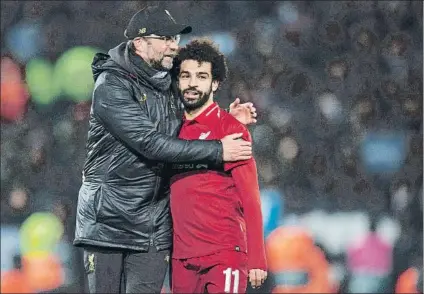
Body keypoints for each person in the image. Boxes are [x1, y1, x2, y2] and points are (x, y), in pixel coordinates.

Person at [73, 6, 257, 294]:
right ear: (139, 44)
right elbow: (150, 143)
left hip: (154, 226)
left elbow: (188, 123)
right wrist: (218, 150)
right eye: (166, 38)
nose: (174, 45)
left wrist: (225, 119)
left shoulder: (171, 80)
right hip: (108, 223)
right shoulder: (111, 85)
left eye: (175, 38)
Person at [169, 38, 267, 293]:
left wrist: (257, 258)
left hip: (224, 254)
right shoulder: (170, 131)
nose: (192, 83)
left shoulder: (232, 130)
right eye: (186, 75)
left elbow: (251, 198)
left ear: (214, 83)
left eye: (201, 76)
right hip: (182, 258)